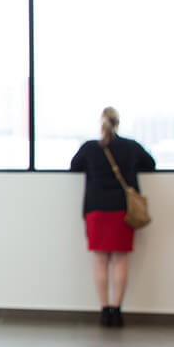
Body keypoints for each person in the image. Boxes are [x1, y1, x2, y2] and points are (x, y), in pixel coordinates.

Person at [69, 107, 154, 327]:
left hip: (96, 210)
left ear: (102, 124)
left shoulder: (90, 148)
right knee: (120, 259)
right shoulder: (131, 147)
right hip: (122, 210)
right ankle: (117, 310)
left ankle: (104, 309)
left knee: (100, 260)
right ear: (118, 124)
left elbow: (73, 166)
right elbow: (150, 164)